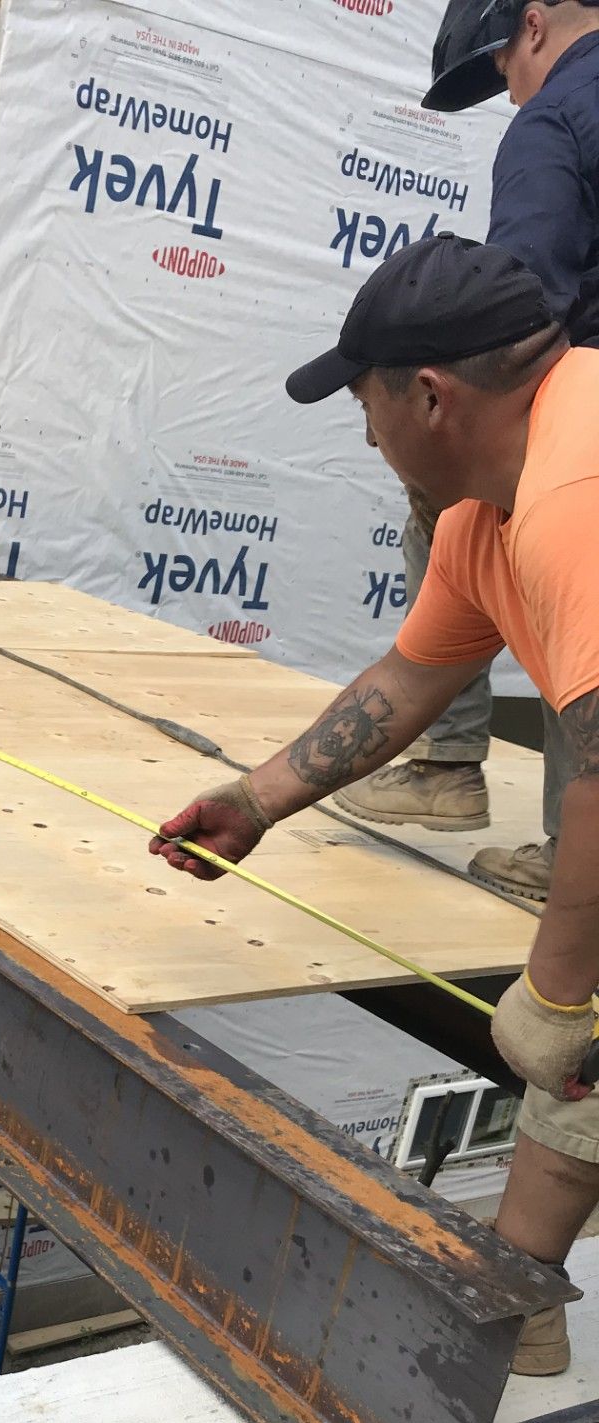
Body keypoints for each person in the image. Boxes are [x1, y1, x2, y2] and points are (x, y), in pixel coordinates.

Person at [149, 234, 599, 1423]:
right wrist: (258, 800)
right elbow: (408, 685)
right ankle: (515, 1302)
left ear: (430, 397)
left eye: (362, 399)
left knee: (574, 1031)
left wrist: (561, 987)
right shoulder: (485, 515)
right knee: (581, 1065)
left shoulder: (582, 493)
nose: (360, 426)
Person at [334, 0, 599, 907]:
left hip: (580, 423)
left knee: (465, 517)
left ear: (533, 27)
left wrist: (467, 449)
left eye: (500, 72)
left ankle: (458, 774)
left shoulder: (556, 117)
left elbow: (517, 302)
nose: (508, 94)